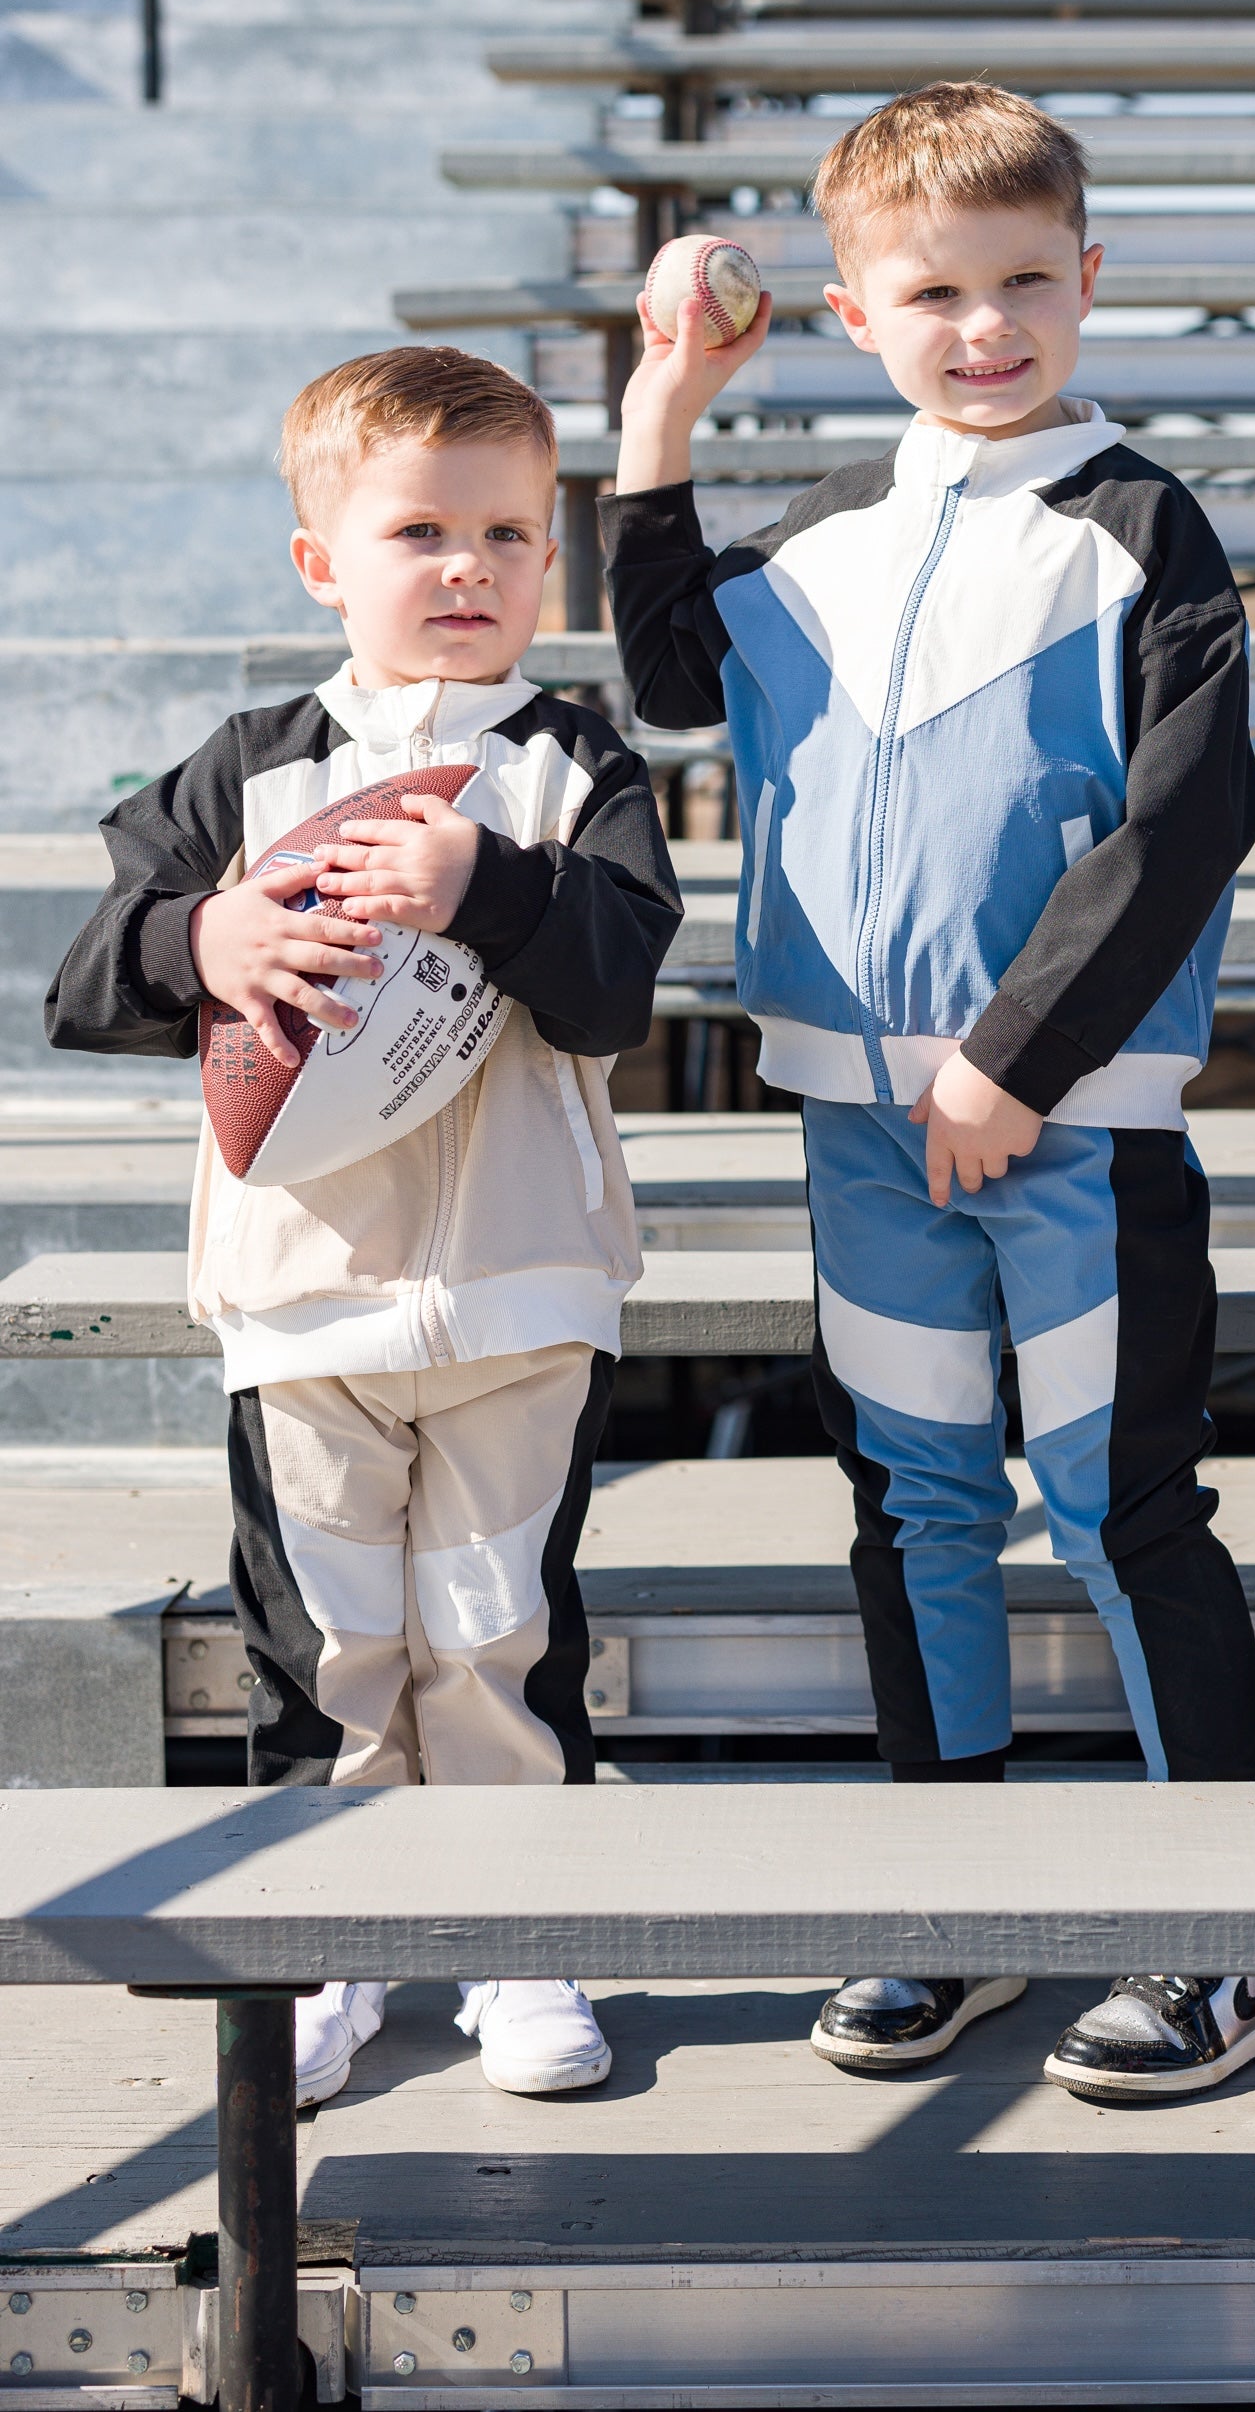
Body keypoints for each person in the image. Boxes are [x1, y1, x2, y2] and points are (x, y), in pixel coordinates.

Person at [604, 82, 1255, 2102]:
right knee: (915, 1504)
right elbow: (662, 669)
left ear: (1088, 283)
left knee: (1113, 1505)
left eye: (1022, 285)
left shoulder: (1142, 523)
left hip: (1072, 1123)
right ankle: (957, 1908)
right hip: (856, 1125)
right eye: (933, 293)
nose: (981, 327)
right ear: (852, 312)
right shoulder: (819, 537)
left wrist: (1015, 1055)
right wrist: (667, 402)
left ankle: (1230, 1946)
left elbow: (1192, 814)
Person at [46, 346, 680, 2108]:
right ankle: (324, 1956)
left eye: (507, 534)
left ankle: (514, 1944)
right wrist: (210, 947)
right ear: (322, 558)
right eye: (421, 530)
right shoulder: (247, 775)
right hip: (302, 1306)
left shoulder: (571, 769)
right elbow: (86, 978)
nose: (469, 568)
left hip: (520, 1294)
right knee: (321, 1656)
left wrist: (489, 887)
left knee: (491, 1645)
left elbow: (618, 990)